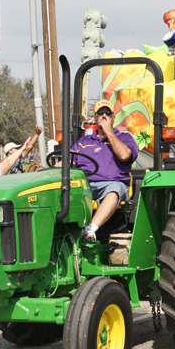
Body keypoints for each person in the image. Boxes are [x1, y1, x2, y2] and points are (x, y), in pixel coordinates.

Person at [71, 100, 139, 242]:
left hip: (110, 185)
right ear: (94, 118)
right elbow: (68, 162)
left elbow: (124, 155)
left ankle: (90, 230)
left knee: (115, 188)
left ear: (113, 118)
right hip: (84, 185)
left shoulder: (124, 138)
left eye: (108, 113)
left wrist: (108, 131)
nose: (104, 116)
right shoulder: (84, 141)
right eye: (100, 113)